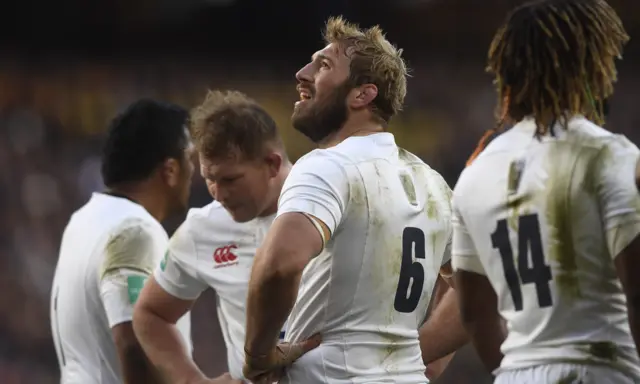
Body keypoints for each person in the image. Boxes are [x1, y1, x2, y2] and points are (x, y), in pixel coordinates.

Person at [242, 16, 464, 383]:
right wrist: (410, 357)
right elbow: (480, 293)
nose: (302, 72)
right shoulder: (435, 185)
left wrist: (258, 354)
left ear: (363, 93)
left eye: (323, 64)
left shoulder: (328, 165)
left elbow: (279, 265)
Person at [451, 0, 640, 383]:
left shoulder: (475, 171)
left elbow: (473, 313)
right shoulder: (607, 154)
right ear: (591, 65)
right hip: (601, 368)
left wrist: (513, 371)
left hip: (517, 373)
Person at [133, 90, 311, 384]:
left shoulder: (331, 205)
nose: (218, 192)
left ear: (272, 164)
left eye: (230, 179)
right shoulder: (204, 229)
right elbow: (150, 314)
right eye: (209, 178)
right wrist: (193, 381)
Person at [50, 99, 194, 384]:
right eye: (191, 158)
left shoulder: (82, 221)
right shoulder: (135, 231)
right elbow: (135, 343)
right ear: (170, 170)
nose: (196, 171)